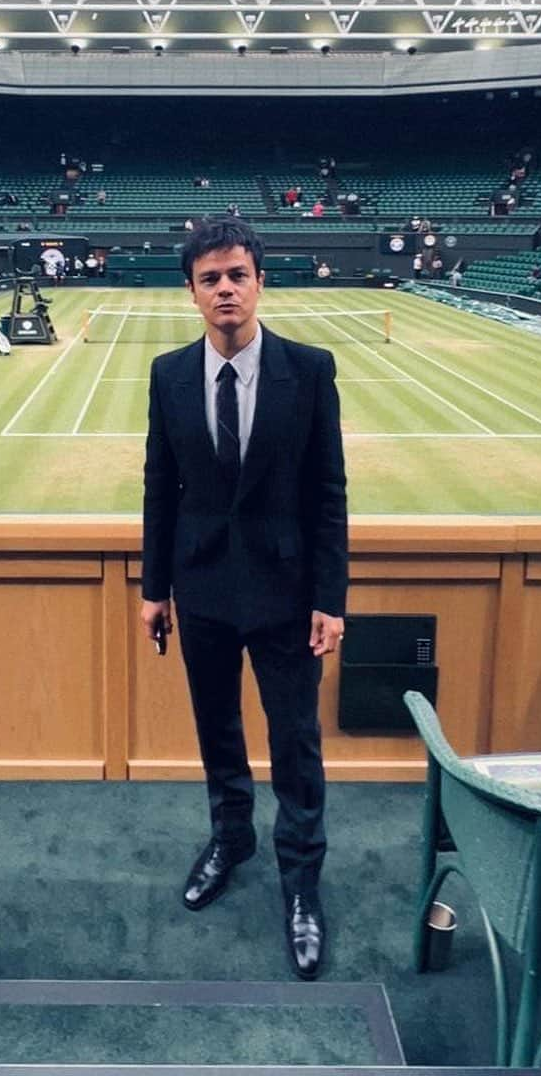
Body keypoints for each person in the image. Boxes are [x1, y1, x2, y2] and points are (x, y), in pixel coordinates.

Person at [140, 218, 347, 981]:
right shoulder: (167, 374)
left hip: (289, 592)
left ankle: (302, 881)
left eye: (237, 275)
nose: (225, 289)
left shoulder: (310, 369)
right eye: (210, 278)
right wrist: (153, 588)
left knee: (296, 741)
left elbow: (329, 491)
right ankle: (232, 837)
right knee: (217, 729)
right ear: (191, 291)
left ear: (260, 281)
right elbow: (161, 485)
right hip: (201, 587)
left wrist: (330, 596)